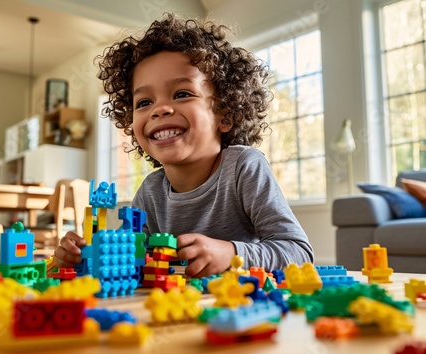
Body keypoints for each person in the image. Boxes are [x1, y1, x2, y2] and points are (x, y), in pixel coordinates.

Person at [53, 13, 314, 277]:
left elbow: (299, 252)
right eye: (144, 102)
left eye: (182, 94)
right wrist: (86, 257)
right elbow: (134, 261)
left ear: (225, 115)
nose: (160, 109)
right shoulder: (150, 192)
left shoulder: (243, 167)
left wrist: (232, 254)